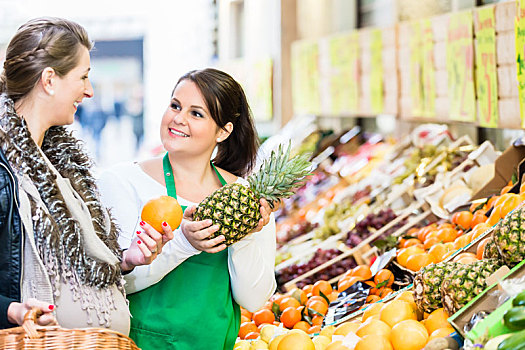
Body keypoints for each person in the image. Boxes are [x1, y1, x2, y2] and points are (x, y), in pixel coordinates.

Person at [0, 17, 171, 335]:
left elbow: (74, 264)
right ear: (49, 80)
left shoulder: (60, 165)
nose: (90, 91)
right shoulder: (5, 169)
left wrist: (126, 259)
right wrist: (10, 310)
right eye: (83, 77)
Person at [98, 68, 277, 349]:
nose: (178, 119)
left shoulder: (245, 199)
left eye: (196, 113)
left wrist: (245, 233)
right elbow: (109, 284)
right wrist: (184, 242)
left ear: (223, 131)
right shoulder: (123, 182)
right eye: (175, 105)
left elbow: (254, 300)